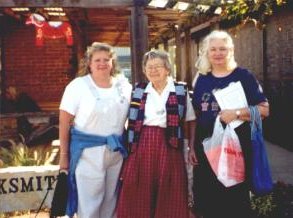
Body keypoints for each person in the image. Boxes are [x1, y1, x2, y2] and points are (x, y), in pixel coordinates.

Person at [191, 30, 269, 218]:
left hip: (237, 148)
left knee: (235, 200)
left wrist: (236, 113)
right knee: (207, 199)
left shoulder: (244, 76)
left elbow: (264, 110)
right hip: (207, 147)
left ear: (231, 51)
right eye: (213, 49)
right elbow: (195, 115)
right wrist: (191, 146)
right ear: (207, 52)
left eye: (223, 49)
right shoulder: (201, 78)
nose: (218, 53)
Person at [116, 50, 197, 218]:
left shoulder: (180, 91)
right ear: (145, 71)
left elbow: (190, 121)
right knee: (136, 187)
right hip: (142, 143)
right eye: (149, 67)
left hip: (171, 143)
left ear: (167, 69)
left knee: (170, 187)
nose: (153, 70)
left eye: (158, 66)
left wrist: (192, 147)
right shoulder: (138, 90)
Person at [58, 42, 132, 218]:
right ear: (89, 63)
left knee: (111, 201)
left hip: (115, 152)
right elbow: (64, 121)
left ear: (113, 63)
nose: (102, 63)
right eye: (97, 60)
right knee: (89, 203)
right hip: (88, 154)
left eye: (107, 59)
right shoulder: (78, 86)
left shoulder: (123, 86)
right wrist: (63, 156)